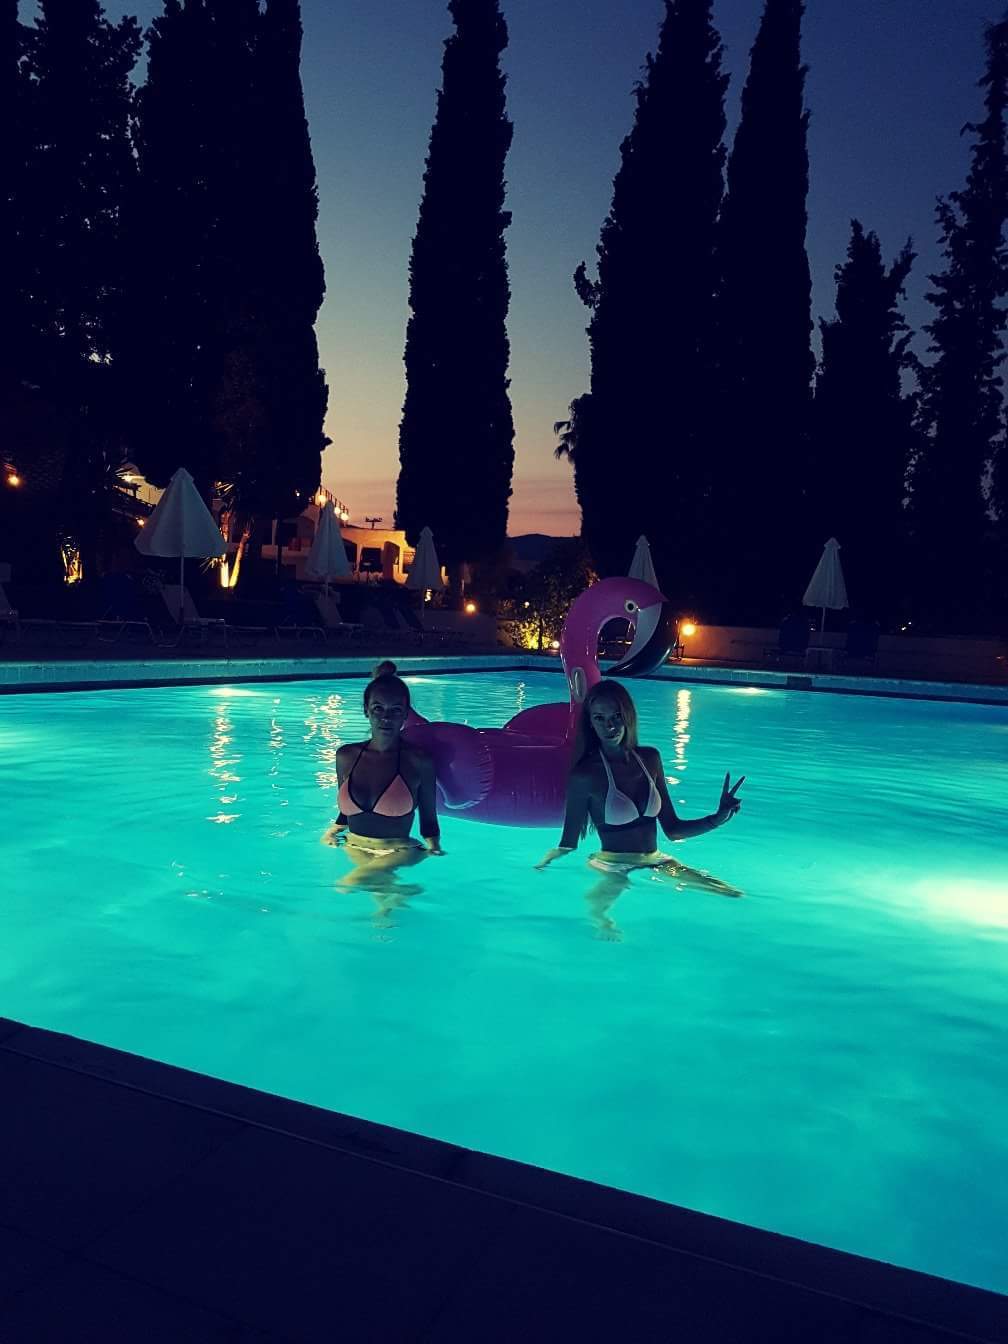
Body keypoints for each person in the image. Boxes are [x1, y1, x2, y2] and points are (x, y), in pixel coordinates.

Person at [536, 681, 744, 934]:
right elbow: (569, 842)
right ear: (590, 723)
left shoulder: (650, 759)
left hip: (656, 859)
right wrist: (545, 862)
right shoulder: (585, 775)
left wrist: (717, 819)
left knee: (731, 894)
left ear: (628, 717)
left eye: (616, 716)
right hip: (612, 864)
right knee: (603, 914)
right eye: (600, 718)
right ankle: (599, 920)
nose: (609, 726)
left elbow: (673, 830)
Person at [322, 662, 443, 910]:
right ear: (366, 710)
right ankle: (394, 896)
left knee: (344, 885)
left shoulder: (419, 760)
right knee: (381, 900)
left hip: (400, 851)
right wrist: (331, 832)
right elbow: (345, 811)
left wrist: (434, 847)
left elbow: (428, 816)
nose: (386, 717)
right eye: (378, 708)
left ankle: (392, 894)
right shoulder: (345, 756)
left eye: (395, 710)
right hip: (355, 847)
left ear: (405, 714)